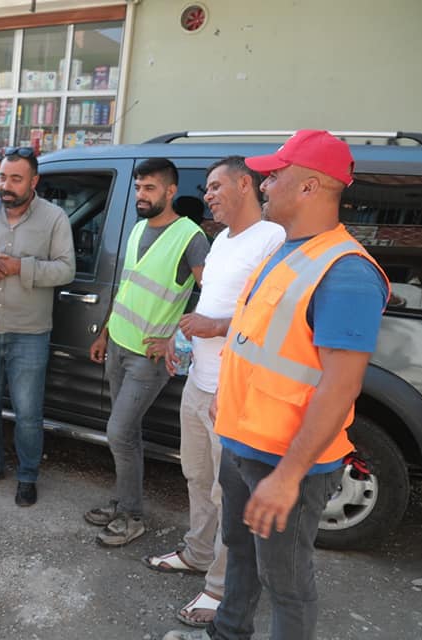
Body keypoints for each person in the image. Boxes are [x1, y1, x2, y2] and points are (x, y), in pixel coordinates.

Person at [161, 131, 389, 640]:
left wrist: (288, 477)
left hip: (286, 460)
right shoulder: (285, 250)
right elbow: (253, 341)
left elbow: (340, 386)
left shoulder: (345, 272)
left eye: (275, 175)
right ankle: (228, 630)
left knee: (285, 582)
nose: (265, 185)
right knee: (240, 552)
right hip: (244, 443)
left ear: (309, 186)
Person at [145, 157, 284, 628]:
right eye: (206, 189)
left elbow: (275, 318)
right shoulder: (222, 240)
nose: (207, 196)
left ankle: (221, 588)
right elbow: (210, 303)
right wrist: (180, 341)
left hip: (235, 393)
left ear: (246, 184)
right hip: (199, 384)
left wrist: (217, 326)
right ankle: (199, 552)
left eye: (215, 186)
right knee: (196, 478)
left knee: (229, 494)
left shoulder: (273, 240)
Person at [85, 158, 208, 545]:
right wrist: (104, 333)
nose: (141, 195)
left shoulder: (190, 236)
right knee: (128, 434)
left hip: (149, 358)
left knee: (118, 432)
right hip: (120, 344)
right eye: (138, 188)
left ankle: (133, 516)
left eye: (149, 188)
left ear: (171, 191)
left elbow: (214, 298)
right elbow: (127, 287)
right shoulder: (139, 228)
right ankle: (123, 502)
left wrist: (179, 341)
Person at [0, 147, 75, 506]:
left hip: (30, 332)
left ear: (34, 181)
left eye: (15, 179)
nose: (6, 185)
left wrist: (23, 267)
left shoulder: (54, 218)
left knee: (27, 412)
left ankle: (27, 475)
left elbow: (66, 269)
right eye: (2, 177)